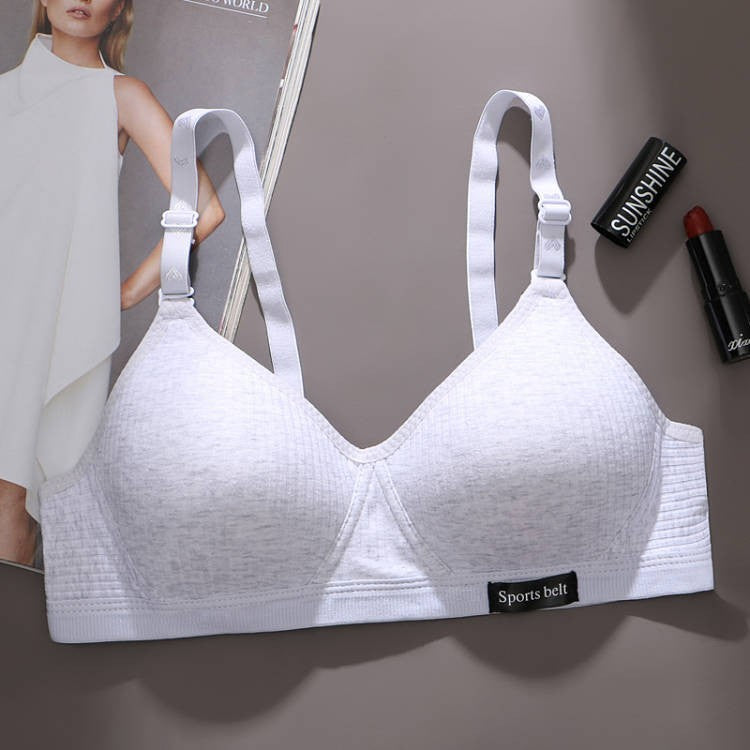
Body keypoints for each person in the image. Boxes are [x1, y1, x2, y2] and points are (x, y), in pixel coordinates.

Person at [0, 0, 226, 566]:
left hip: (44, 323)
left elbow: (204, 207)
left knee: (11, 494)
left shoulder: (122, 96)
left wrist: (123, 294)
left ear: (119, 7)